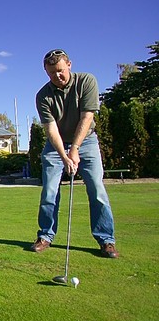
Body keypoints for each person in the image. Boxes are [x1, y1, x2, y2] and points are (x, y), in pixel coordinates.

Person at [31, 49, 119, 258]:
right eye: (51, 73)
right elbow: (51, 129)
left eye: (60, 71)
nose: (57, 76)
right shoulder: (43, 95)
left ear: (69, 64)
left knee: (97, 189)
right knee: (49, 192)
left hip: (86, 141)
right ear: (45, 71)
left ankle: (106, 239)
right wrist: (64, 155)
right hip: (56, 145)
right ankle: (45, 235)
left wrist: (75, 150)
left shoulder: (86, 81)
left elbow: (86, 118)